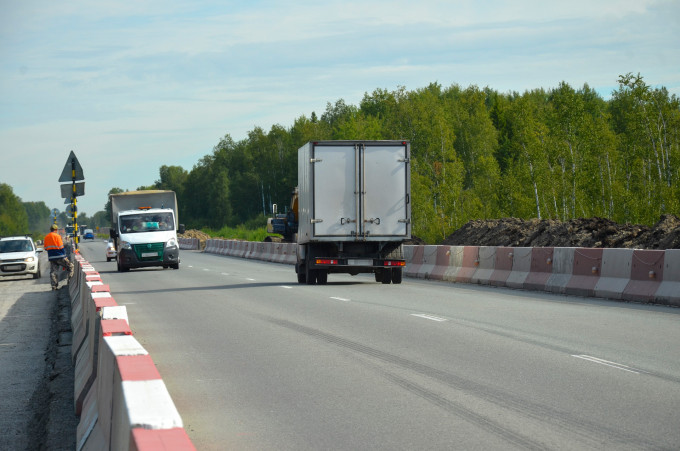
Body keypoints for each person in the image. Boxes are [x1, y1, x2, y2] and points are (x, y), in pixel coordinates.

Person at [44, 224, 74, 290]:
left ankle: (54, 286)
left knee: (53, 271)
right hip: (60, 256)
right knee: (70, 266)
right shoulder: (58, 236)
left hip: (51, 257)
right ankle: (69, 282)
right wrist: (65, 256)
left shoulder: (46, 237)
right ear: (56, 230)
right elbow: (61, 247)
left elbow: (46, 248)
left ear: (50, 229)